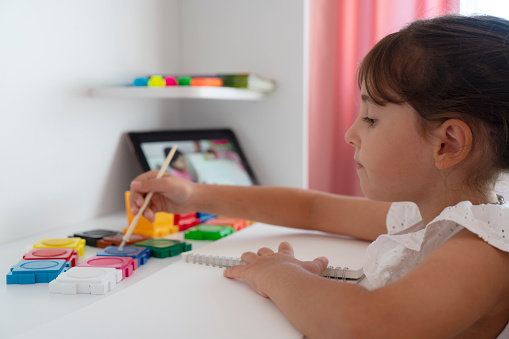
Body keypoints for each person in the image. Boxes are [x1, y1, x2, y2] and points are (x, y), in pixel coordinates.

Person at [129, 14, 509, 339]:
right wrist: (193, 194)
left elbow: (364, 325)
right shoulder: (432, 213)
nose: (350, 134)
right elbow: (312, 209)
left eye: (372, 119)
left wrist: (279, 274)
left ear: (448, 144)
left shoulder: (481, 247)